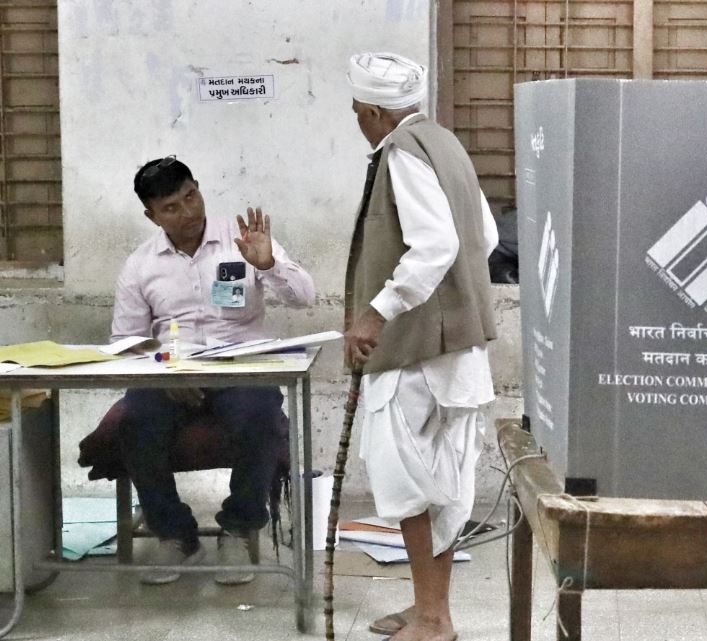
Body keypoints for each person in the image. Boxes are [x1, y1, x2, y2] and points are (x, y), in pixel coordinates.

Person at [344, 52, 498, 641]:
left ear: (375, 113)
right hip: (455, 347)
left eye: (358, 112)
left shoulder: (402, 152)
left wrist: (376, 313)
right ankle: (429, 606)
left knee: (411, 484)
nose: (359, 121)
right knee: (441, 482)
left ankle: (434, 619)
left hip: (417, 354)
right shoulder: (446, 143)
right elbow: (483, 236)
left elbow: (435, 244)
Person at [111, 156, 315, 585]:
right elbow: (127, 343)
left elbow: (304, 297)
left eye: (191, 197)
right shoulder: (140, 265)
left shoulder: (242, 240)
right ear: (151, 216)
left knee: (260, 416)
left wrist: (268, 265)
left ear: (199, 189)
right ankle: (175, 535)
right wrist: (165, 375)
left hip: (240, 369)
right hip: (171, 373)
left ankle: (238, 529)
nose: (188, 212)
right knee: (135, 420)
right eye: (171, 207)